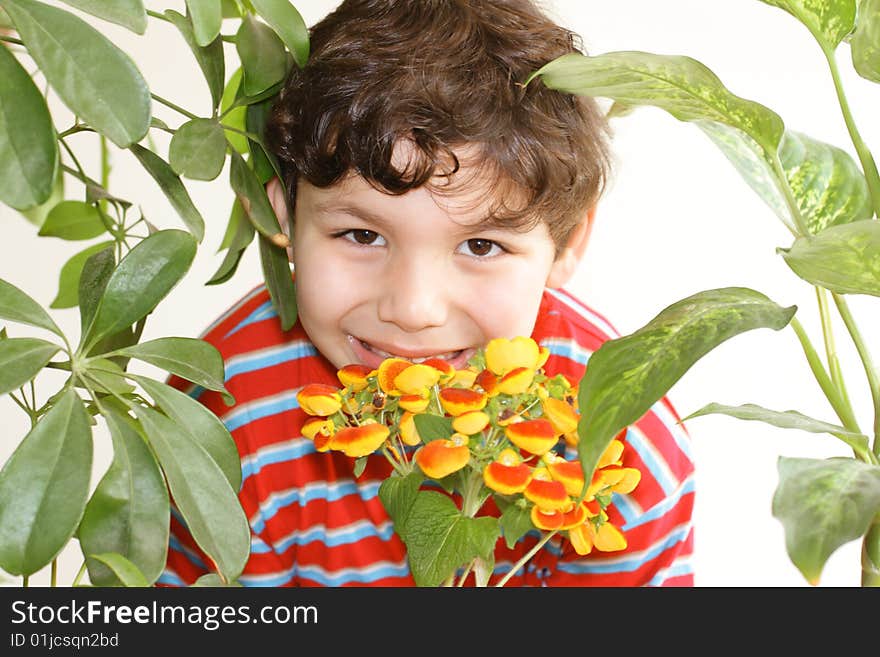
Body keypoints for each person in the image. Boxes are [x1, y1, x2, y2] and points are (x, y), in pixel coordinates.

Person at [158, 0, 695, 587]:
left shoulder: (622, 440)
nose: (413, 311)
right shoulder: (219, 419)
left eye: (482, 247)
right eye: (361, 235)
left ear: (566, 245)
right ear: (279, 209)